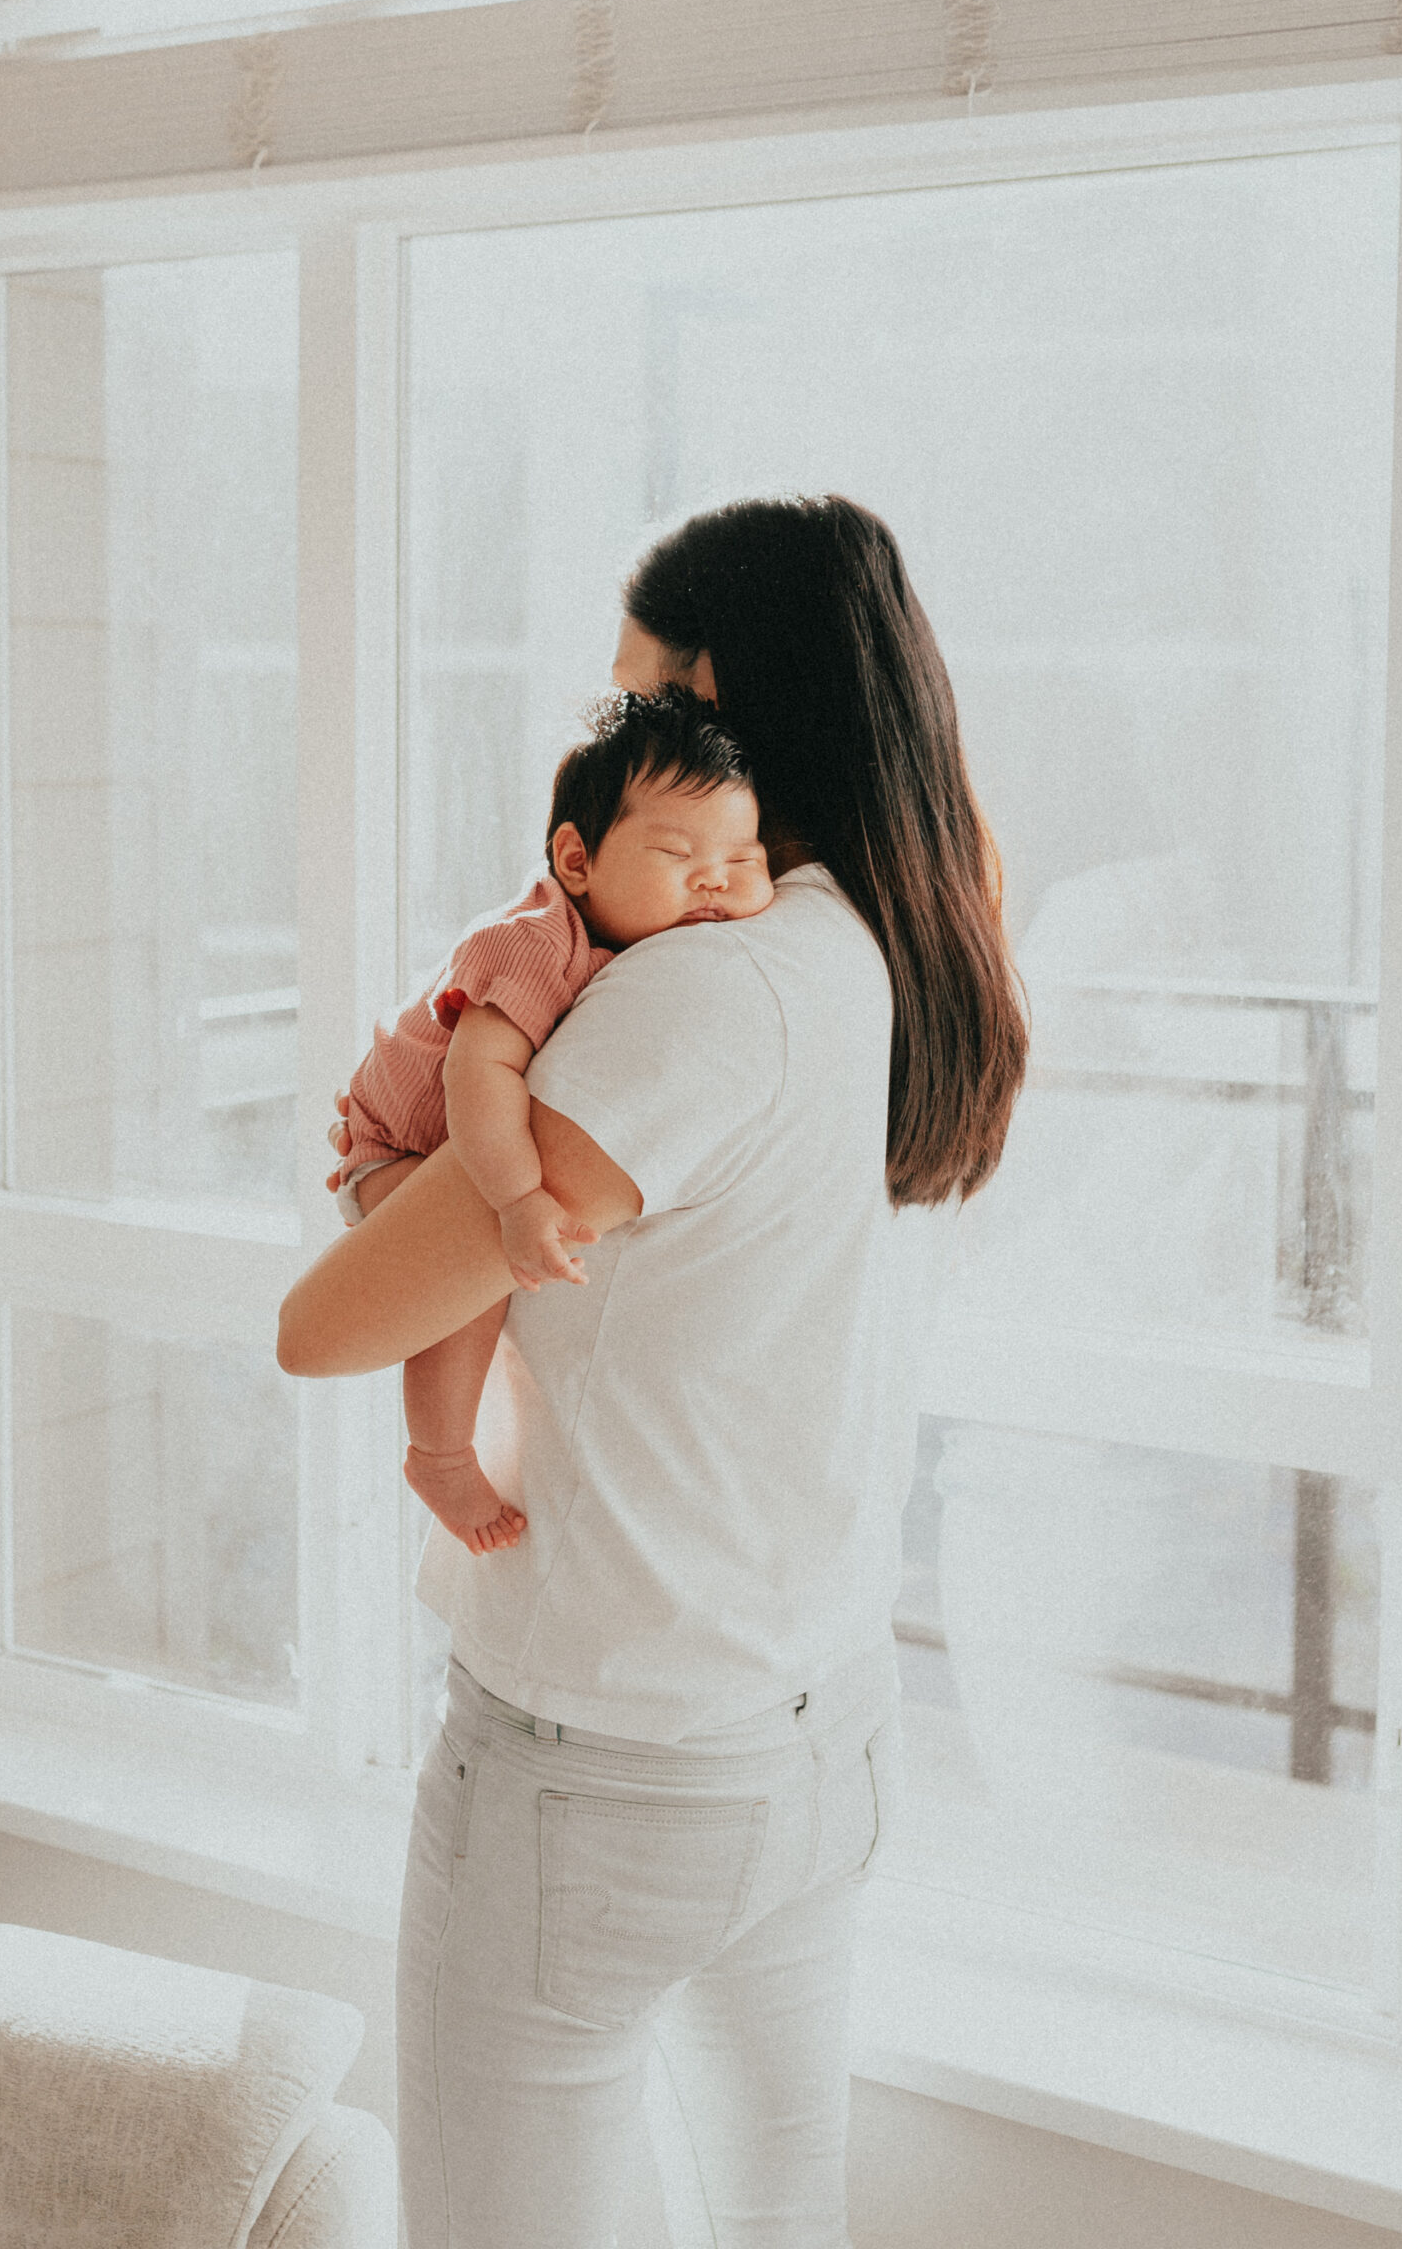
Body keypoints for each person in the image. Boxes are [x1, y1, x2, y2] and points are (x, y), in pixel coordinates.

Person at [278, 493, 1027, 2249]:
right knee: (781, 2216)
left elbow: (327, 1325)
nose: (615, 740)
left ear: (726, 705)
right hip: (818, 1726)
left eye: (637, 701)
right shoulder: (910, 935)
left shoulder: (704, 995)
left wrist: (391, 1173)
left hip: (601, 1769)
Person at [331, 688, 772, 1556]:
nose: (713, 880)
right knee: (467, 1292)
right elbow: (478, 1069)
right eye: (676, 852)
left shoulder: (645, 948)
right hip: (400, 1145)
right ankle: (439, 1455)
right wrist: (517, 1194)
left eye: (742, 858)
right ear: (576, 859)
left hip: (441, 1138)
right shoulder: (537, 941)